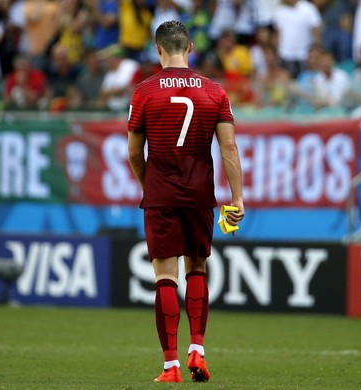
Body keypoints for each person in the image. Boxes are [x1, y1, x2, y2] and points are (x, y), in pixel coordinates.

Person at [127, 20, 244, 383]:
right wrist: (237, 198)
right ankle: (198, 350)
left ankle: (170, 366)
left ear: (157, 48)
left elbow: (133, 152)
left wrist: (151, 185)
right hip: (199, 195)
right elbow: (228, 148)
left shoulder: (144, 92)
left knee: (165, 276)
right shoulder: (214, 91)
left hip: (161, 194)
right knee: (197, 268)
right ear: (190, 48)